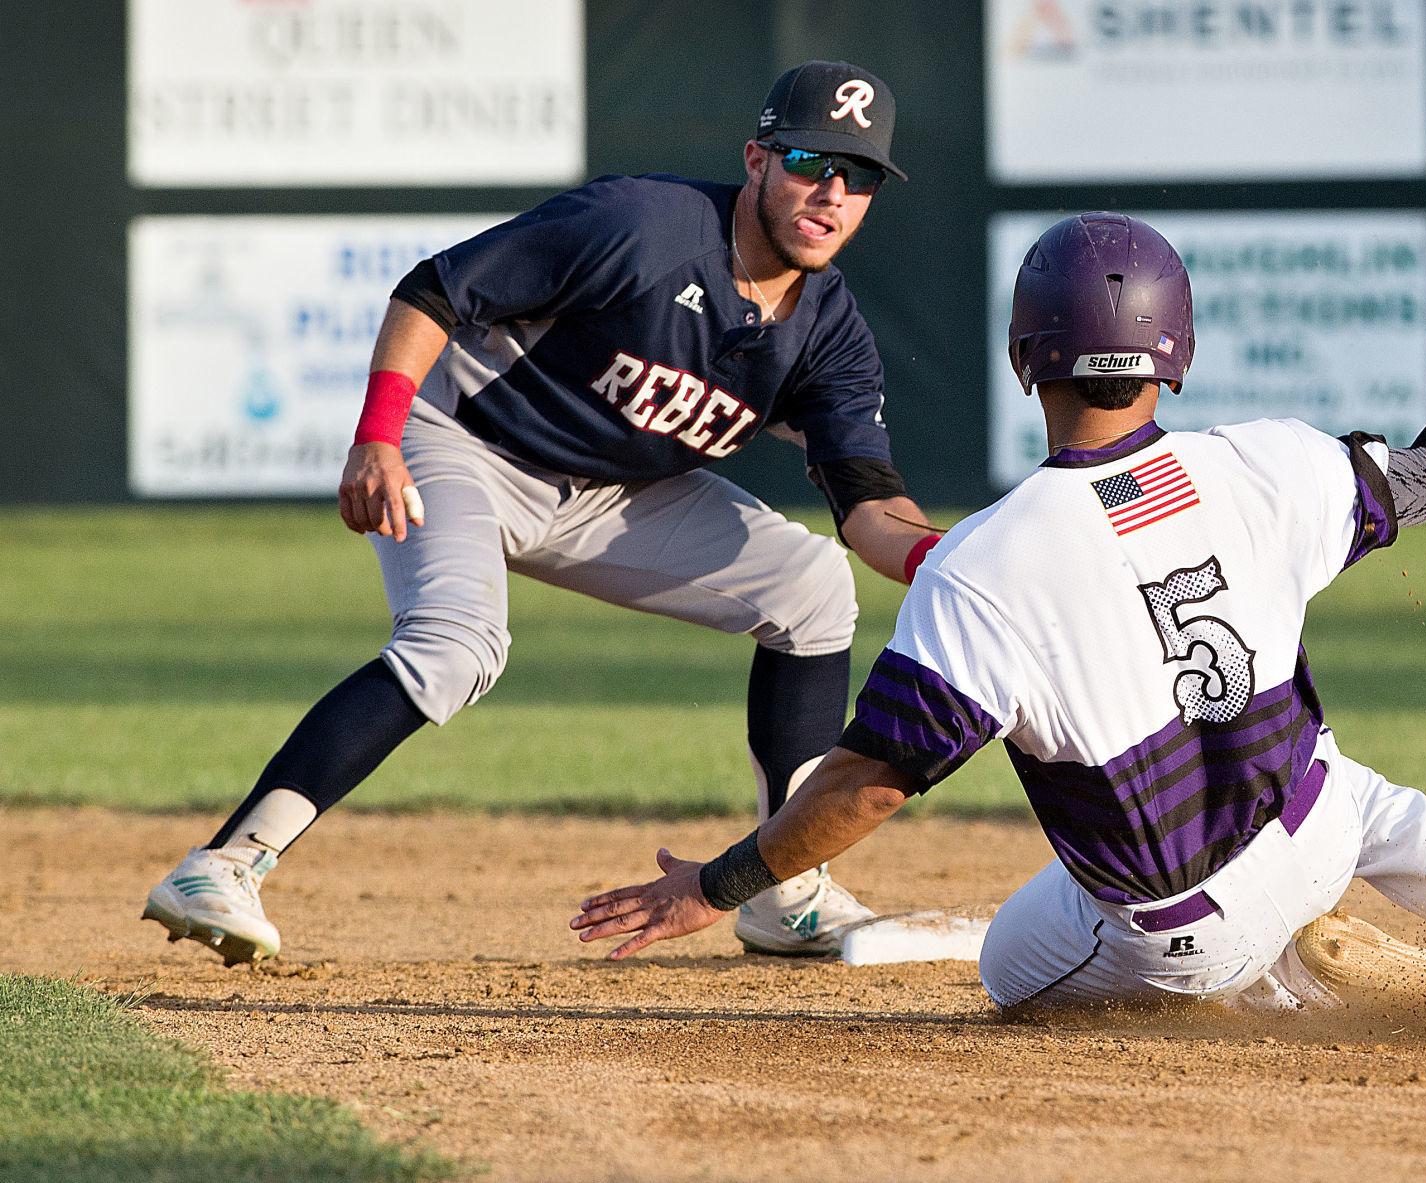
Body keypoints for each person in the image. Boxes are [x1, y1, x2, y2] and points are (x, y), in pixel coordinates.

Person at [569, 211, 1426, 1013]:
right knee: (1374, 807)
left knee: (1005, 969)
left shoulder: (985, 563)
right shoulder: (1270, 461)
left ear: (1025, 357)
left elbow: (867, 787)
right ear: (1178, 349)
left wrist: (718, 884)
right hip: (1317, 830)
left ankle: (1297, 982)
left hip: (1186, 932)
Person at [144, 61, 945, 967]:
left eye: (860, 176)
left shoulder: (828, 331)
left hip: (621, 492)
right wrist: (379, 432)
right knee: (456, 645)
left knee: (810, 586)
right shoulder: (643, 224)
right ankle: (223, 862)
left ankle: (784, 893)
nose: (831, 193)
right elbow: (435, 290)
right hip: (468, 441)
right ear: (757, 159)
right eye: (810, 161)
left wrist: (941, 555)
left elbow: (871, 507)